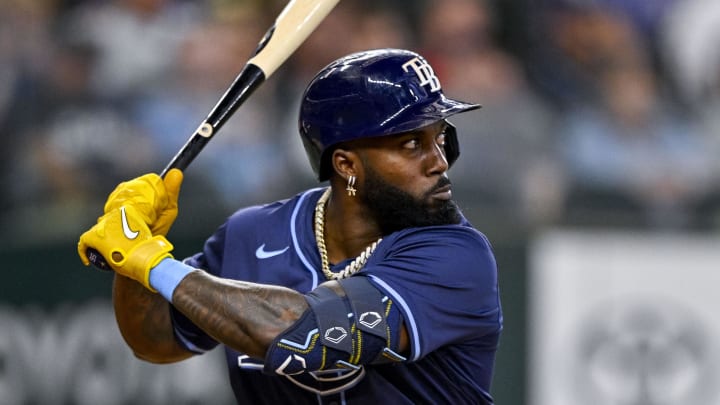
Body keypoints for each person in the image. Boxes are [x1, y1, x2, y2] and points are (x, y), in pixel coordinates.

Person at [78, 49, 503, 404]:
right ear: (346, 165)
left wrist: (153, 263)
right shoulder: (251, 235)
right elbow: (154, 341)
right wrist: (131, 259)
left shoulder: (455, 257)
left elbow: (308, 335)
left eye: (440, 137)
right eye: (411, 144)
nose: (439, 161)